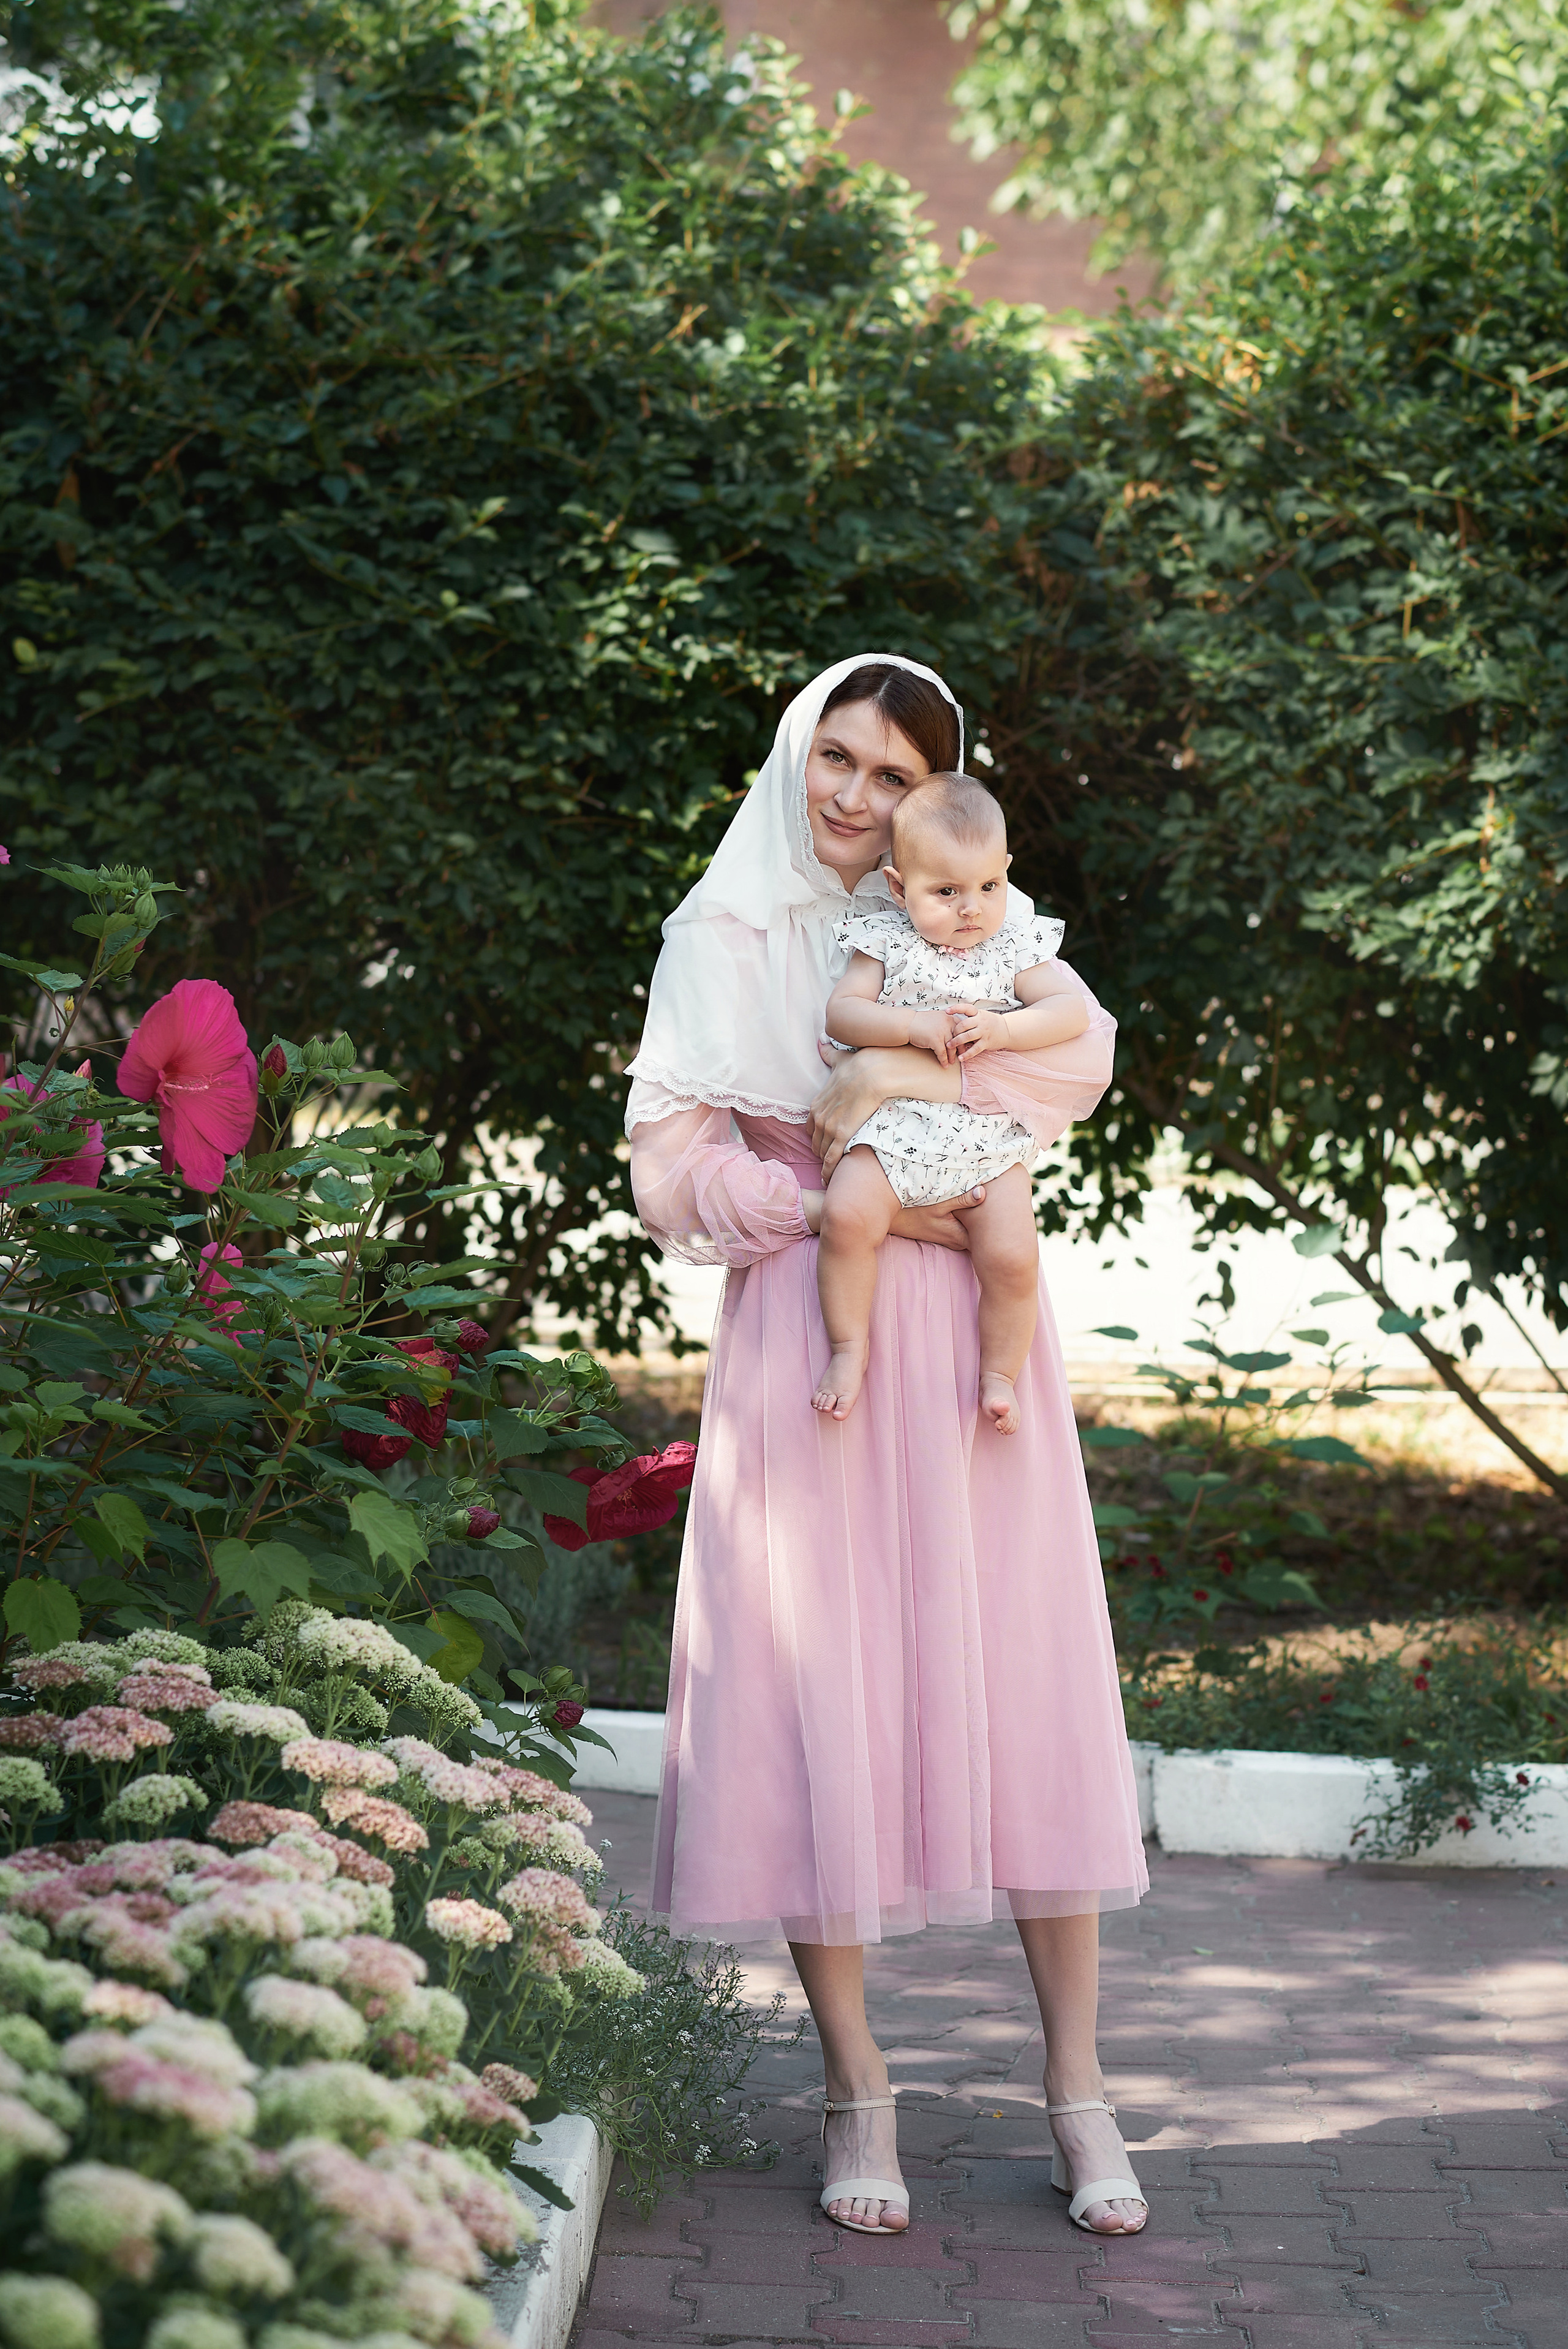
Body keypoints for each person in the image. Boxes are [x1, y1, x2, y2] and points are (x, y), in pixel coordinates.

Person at [627, 654, 1150, 2239]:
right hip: (815, 1319)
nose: (855, 795)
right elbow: (671, 1167)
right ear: (800, 757)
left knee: (1028, 1664)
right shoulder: (721, 933)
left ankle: (1083, 2090)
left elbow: (1080, 1054)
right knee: (820, 1685)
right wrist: (815, 1196)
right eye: (835, 759)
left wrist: (933, 1097)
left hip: (977, 1341)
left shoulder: (966, 915)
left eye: (891, 771)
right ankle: (862, 2085)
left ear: (937, 791)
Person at [810, 771, 1091, 1431]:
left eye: (988, 886)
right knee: (849, 1220)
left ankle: (1000, 1372)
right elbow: (844, 1014)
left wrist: (1003, 1028)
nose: (972, 909)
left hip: (985, 1139)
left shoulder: (1011, 945)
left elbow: (1069, 1012)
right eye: (947, 891)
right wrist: (910, 1028)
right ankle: (848, 1349)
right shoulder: (886, 941)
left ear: (1005, 873)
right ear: (899, 888)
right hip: (894, 1129)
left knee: (1015, 1256)